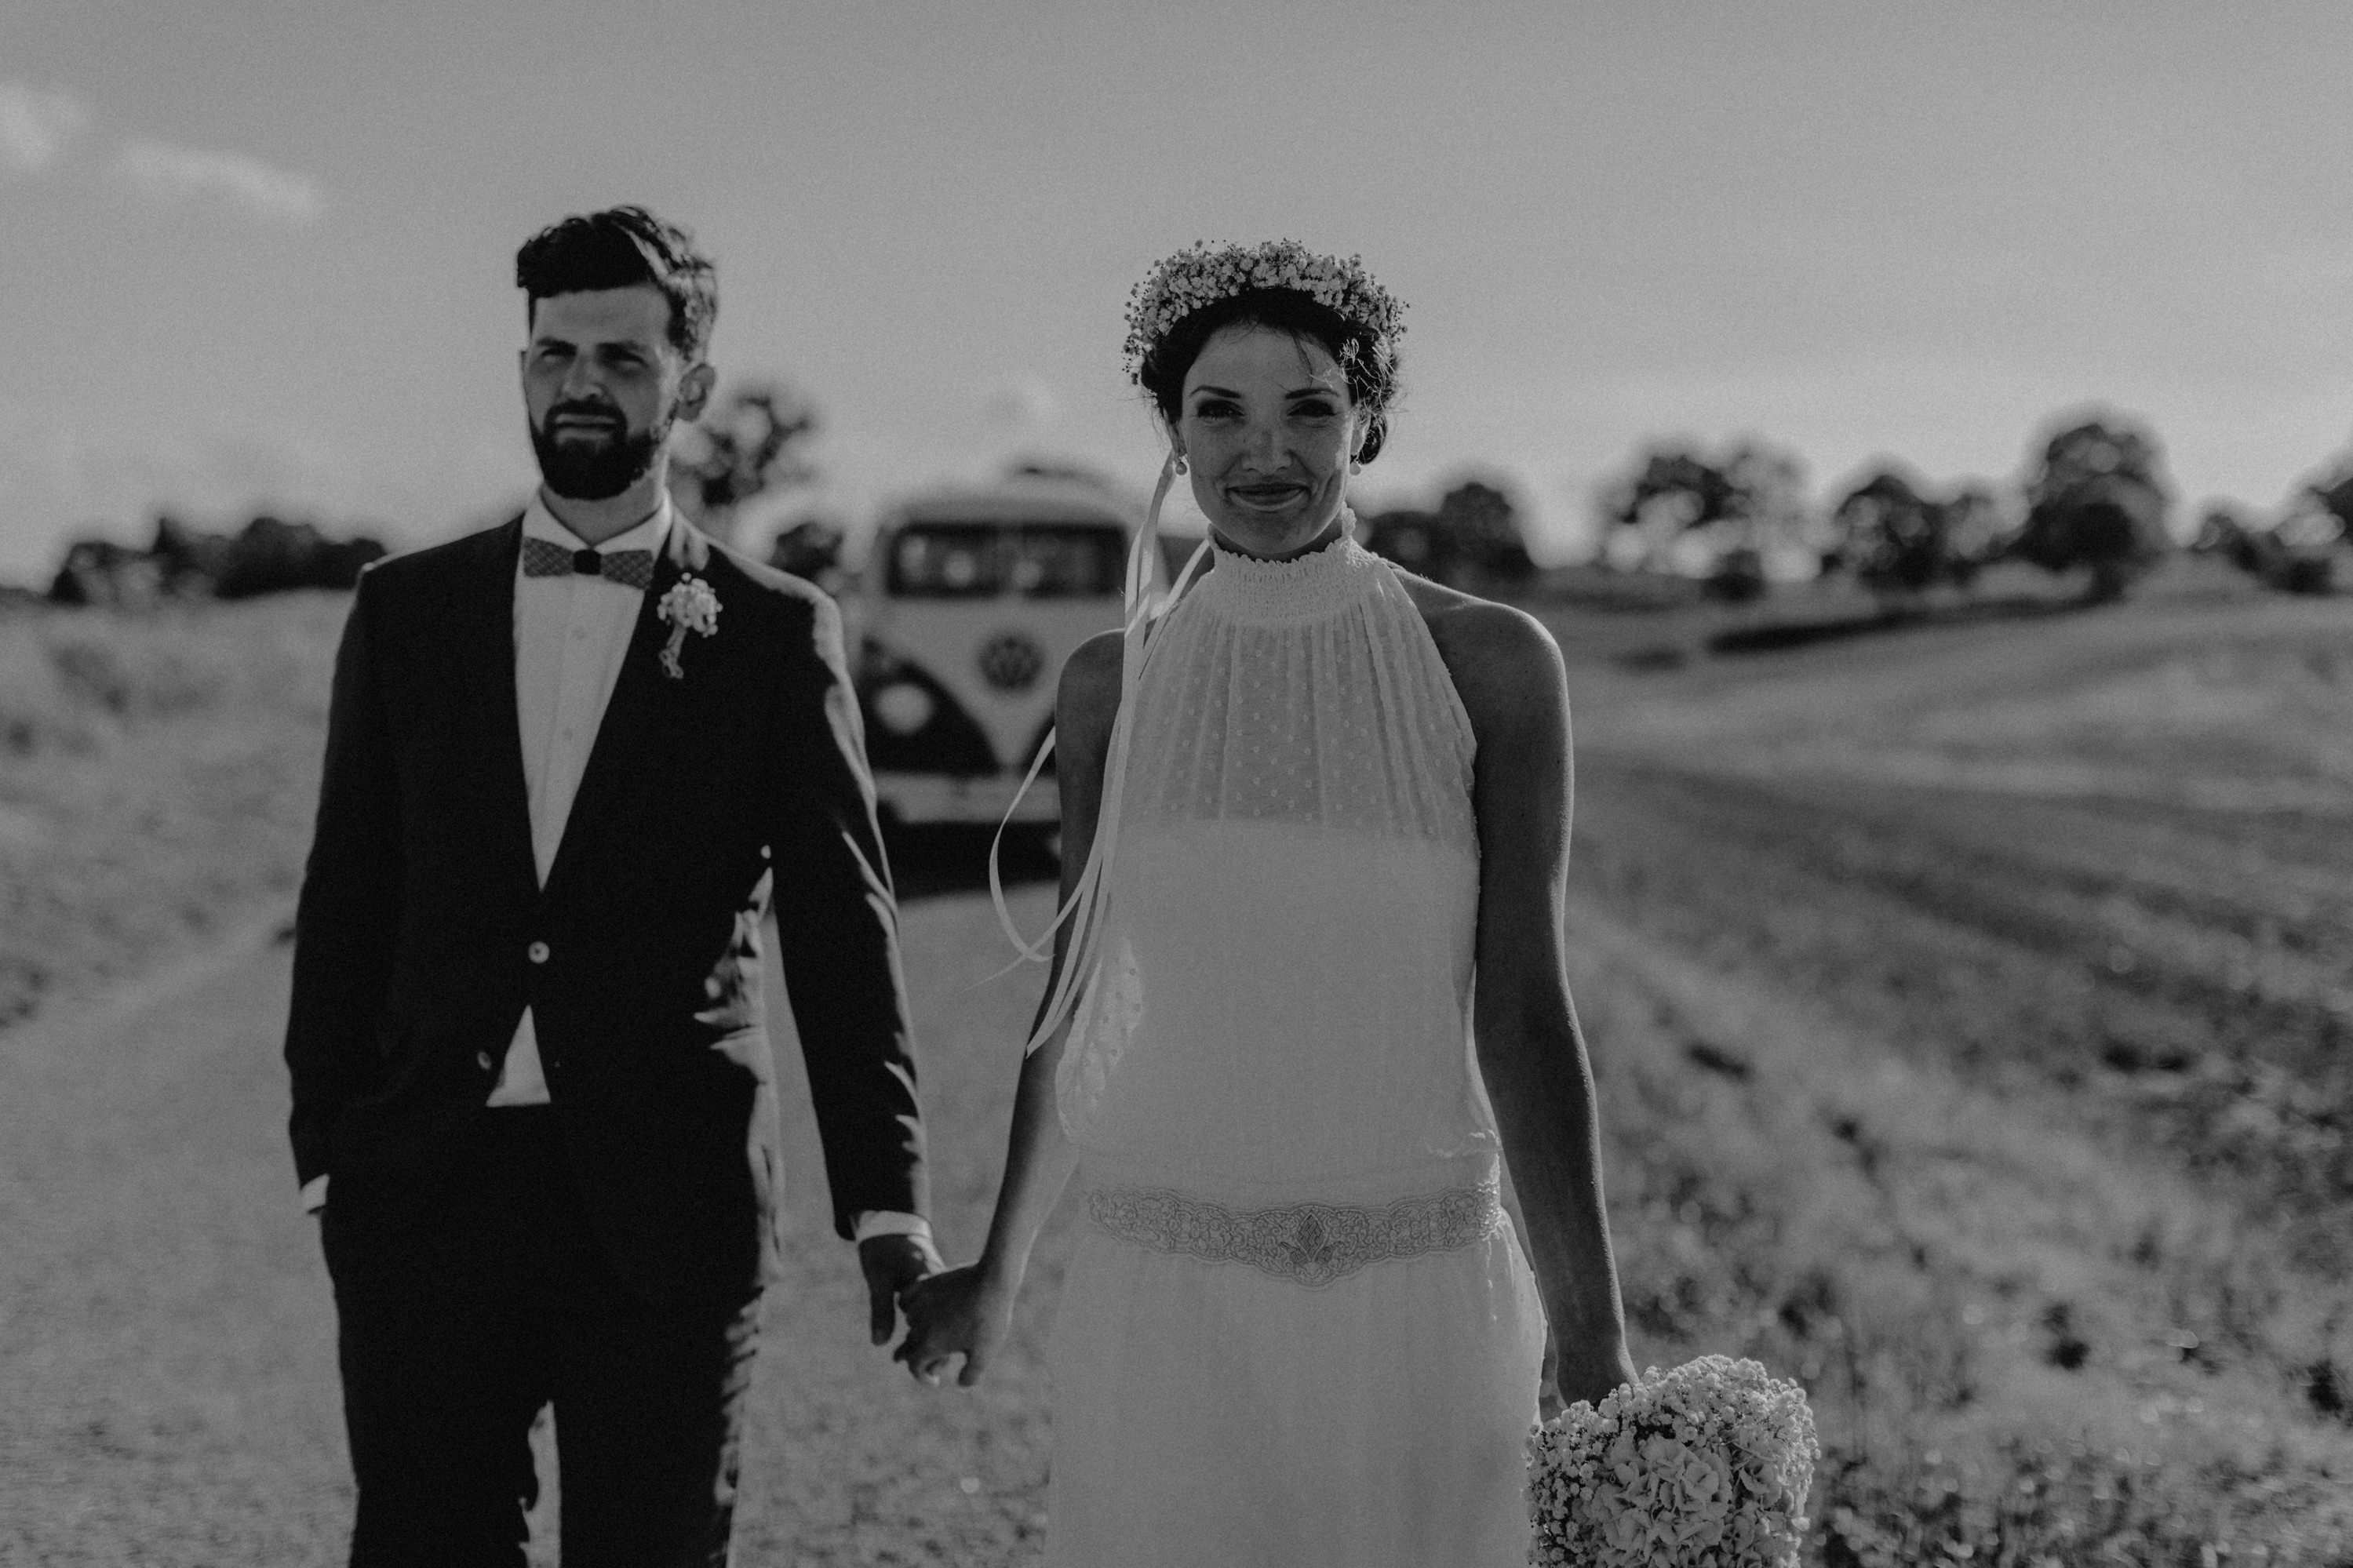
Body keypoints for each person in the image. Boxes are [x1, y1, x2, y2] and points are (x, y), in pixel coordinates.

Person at [897, 241, 1639, 1564]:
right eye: (1219, 412)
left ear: (1368, 426)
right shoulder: (1107, 686)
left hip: (1421, 1306)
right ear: (1173, 441)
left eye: (1309, 410)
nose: (1266, 453)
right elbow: (1074, 1000)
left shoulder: (1494, 666)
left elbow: (1525, 1011)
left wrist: (1594, 1336)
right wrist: (998, 1271)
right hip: (1166, 1304)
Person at [282, 205, 938, 1567]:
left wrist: (886, 1203)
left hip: (668, 1199)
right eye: (555, 353)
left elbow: (839, 922)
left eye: (624, 360)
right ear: (523, 363)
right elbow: (348, 889)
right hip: (427, 1192)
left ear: (689, 385)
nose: (583, 383)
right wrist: (323, 1157)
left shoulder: (772, 632)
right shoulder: (404, 609)